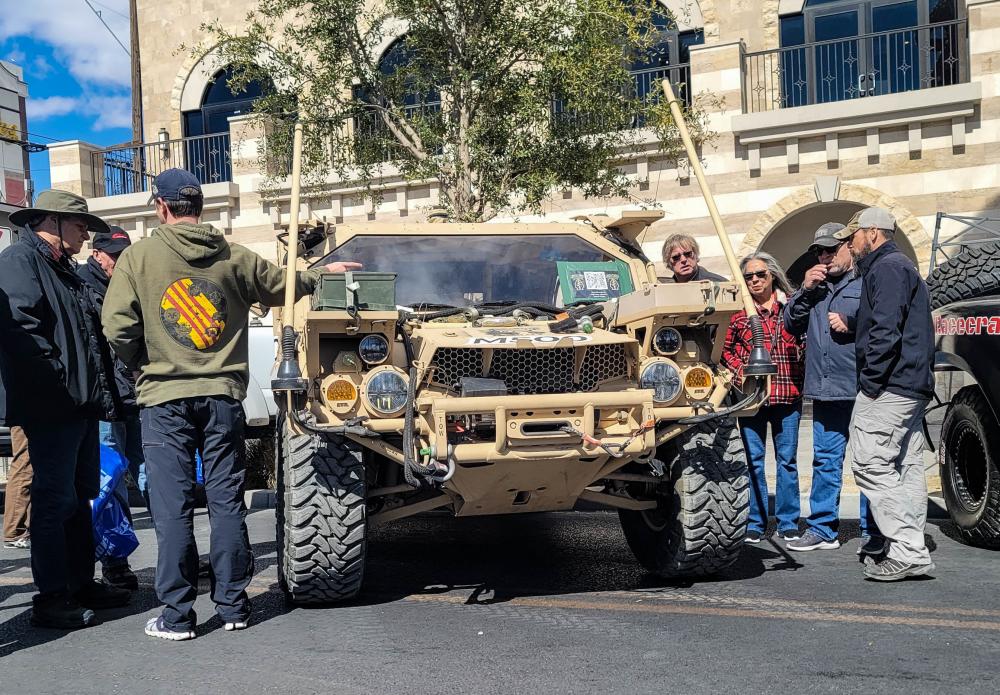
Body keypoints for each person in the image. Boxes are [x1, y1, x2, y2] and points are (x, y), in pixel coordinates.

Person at [102, 168, 361, 640]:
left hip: (164, 399)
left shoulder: (138, 258)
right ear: (200, 207)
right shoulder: (234, 256)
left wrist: (143, 363)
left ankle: (178, 616)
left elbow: (117, 326)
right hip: (222, 396)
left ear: (161, 207)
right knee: (225, 502)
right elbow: (281, 285)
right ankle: (233, 606)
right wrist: (320, 275)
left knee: (173, 507)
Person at [0, 190, 130, 629]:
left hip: (80, 405)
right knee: (54, 502)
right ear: (51, 222)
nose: (85, 235)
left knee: (80, 497)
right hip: (53, 406)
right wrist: (59, 385)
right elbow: (23, 333)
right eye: (80, 226)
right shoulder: (20, 262)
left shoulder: (63, 269)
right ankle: (52, 596)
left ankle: (80, 583)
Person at [833, 207, 936, 580]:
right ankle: (909, 547)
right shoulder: (900, 266)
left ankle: (908, 550)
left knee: (870, 464)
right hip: (910, 384)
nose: (850, 244)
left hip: (891, 386)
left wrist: (871, 383)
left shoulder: (887, 268)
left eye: (853, 236)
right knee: (905, 466)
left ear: (872, 232)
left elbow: (885, 331)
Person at [783, 223, 882, 553]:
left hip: (862, 387)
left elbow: (882, 324)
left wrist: (852, 324)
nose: (825, 256)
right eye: (820, 251)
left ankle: (874, 532)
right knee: (825, 460)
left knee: (869, 461)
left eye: (832, 249)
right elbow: (790, 323)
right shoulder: (815, 288)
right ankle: (822, 529)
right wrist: (805, 290)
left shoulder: (867, 281)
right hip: (825, 389)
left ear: (848, 247)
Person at [78, 226, 145, 589]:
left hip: (134, 397)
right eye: (114, 256)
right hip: (106, 402)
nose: (120, 262)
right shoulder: (82, 285)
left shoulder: (132, 281)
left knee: (151, 473)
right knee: (111, 484)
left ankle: (177, 551)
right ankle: (116, 562)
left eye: (125, 255)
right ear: (97, 254)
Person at [722, 252, 805, 544]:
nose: (755, 280)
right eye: (749, 276)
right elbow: (725, 351)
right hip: (752, 399)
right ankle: (755, 522)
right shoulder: (738, 314)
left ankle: (788, 521)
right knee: (753, 462)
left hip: (788, 394)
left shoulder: (791, 307)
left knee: (787, 462)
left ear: (772, 276)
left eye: (760, 275)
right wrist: (741, 372)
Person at [2, 426, 31, 549]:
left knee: (29, 468)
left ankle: (19, 531)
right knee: (25, 467)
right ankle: (15, 532)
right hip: (30, 419)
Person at [660, 233, 727, 283]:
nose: (683, 260)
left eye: (688, 254)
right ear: (668, 262)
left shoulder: (718, 284)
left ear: (695, 254)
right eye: (676, 257)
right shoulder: (664, 290)